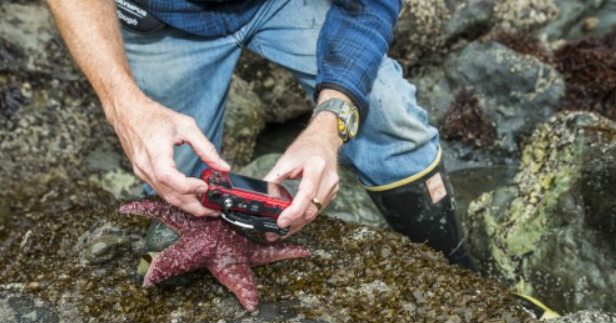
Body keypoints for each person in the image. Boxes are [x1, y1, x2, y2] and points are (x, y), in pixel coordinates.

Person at [47, 0, 475, 270]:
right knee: (174, 178)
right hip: (159, 16)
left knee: (390, 114)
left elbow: (369, 5)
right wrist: (126, 107)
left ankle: (460, 271)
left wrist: (329, 126)